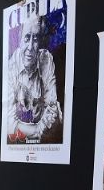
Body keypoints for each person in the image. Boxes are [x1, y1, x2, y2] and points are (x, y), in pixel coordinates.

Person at [6, 14, 63, 143]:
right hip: (22, 138)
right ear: (20, 40)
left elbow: (52, 105)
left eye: (36, 39)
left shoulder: (46, 59)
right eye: (27, 38)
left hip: (44, 131)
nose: (31, 47)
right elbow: (9, 122)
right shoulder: (11, 67)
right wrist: (36, 130)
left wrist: (40, 128)